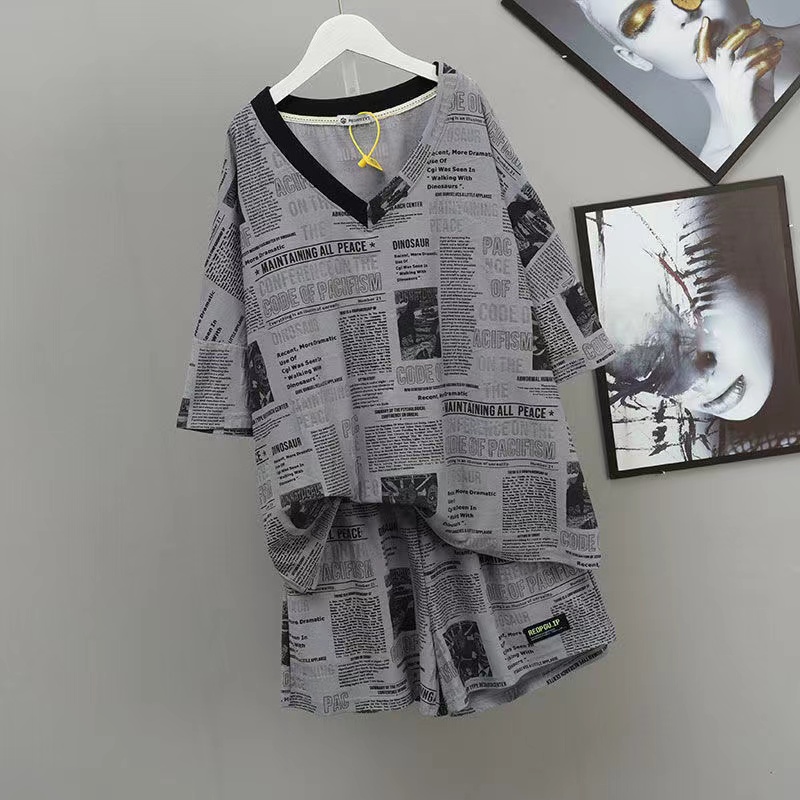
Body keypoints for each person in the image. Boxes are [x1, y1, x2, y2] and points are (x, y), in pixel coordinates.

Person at [572, 0, 800, 168]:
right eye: (643, 21)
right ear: (634, 58)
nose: (681, 12)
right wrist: (755, 144)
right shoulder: (717, 169)